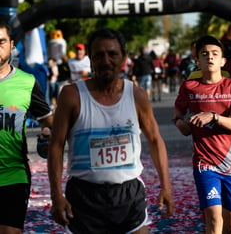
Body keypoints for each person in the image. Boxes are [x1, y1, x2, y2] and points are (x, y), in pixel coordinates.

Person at [48, 28, 174, 233]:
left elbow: (154, 139)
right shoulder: (71, 95)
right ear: (90, 59)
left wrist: (166, 187)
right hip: (84, 198)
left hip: (128, 196)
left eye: (112, 54)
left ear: (123, 58)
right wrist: (56, 196)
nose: (106, 60)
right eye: (99, 55)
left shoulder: (137, 95)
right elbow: (56, 145)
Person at [174, 35, 231, 234]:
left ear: (223, 61)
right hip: (204, 163)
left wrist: (213, 117)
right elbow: (178, 112)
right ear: (197, 61)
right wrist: (180, 124)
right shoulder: (189, 87)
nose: (210, 57)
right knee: (214, 222)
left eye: (215, 54)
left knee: (230, 226)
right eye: (205, 54)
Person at [0, 21, 53, 233]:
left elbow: (49, 123)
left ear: (12, 45)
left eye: (1, 42)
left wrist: (48, 136)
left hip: (14, 174)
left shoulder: (27, 82)